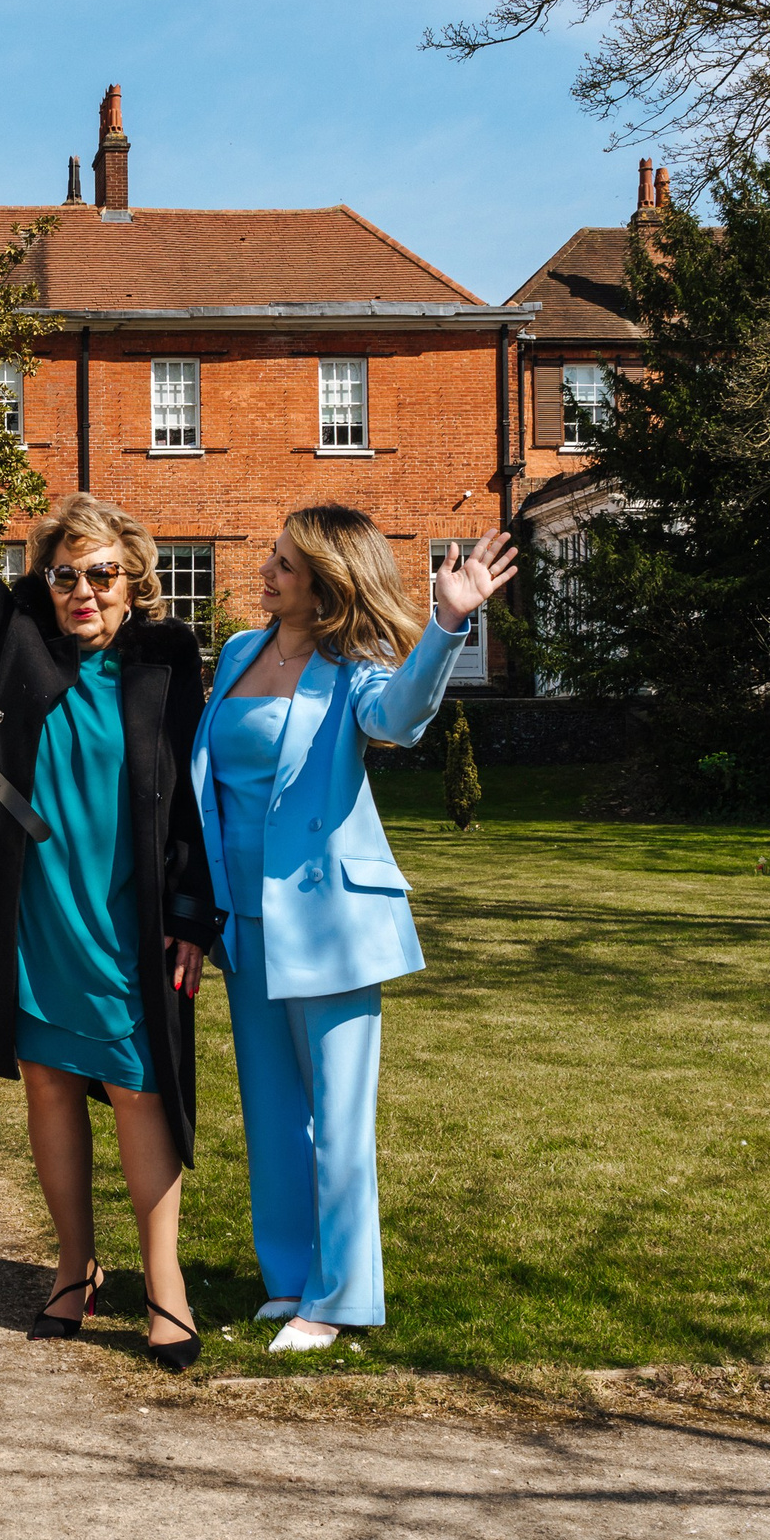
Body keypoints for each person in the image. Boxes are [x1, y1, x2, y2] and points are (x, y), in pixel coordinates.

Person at [0, 378, 221, 1371]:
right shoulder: (20, 638)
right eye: (69, 576)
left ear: (137, 581)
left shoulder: (166, 662)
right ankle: (74, 1270)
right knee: (45, 1087)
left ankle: (166, 1288)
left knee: (137, 1092)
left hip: (128, 920)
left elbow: (190, 803)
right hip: (33, 914)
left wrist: (193, 920)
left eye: (104, 575)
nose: (85, 593)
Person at [195, 507, 513, 1354]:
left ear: (329, 583)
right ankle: (292, 1277)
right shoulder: (235, 656)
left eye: (285, 565)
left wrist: (448, 624)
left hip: (330, 918)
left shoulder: (357, 668)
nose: (265, 573)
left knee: (338, 1117)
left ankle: (339, 1301)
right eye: (269, 555)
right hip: (243, 920)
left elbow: (400, 718)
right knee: (271, 1111)